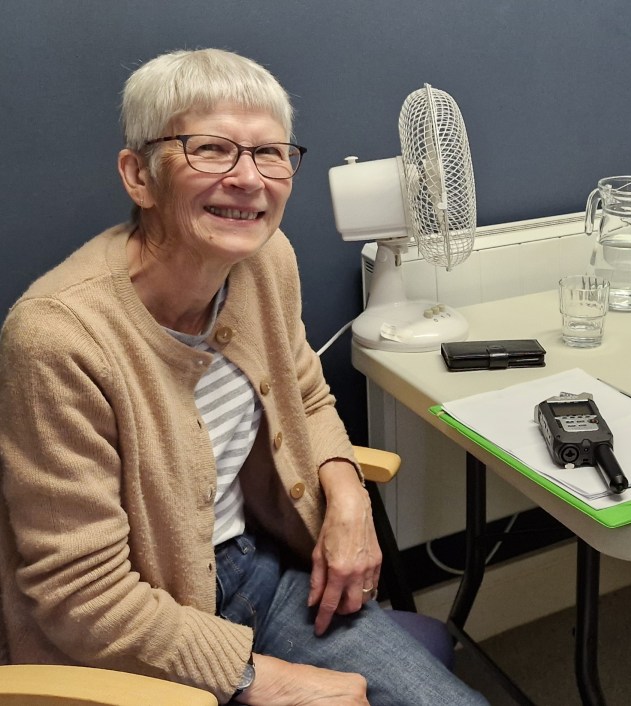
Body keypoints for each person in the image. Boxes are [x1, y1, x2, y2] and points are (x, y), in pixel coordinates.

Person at [0, 48, 487, 706]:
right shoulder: (58, 339)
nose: (249, 179)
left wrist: (348, 499)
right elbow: (81, 600)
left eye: (270, 153)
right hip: (133, 635)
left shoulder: (267, 261)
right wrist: (268, 679)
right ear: (138, 175)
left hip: (260, 572)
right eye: (211, 149)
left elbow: (305, 395)